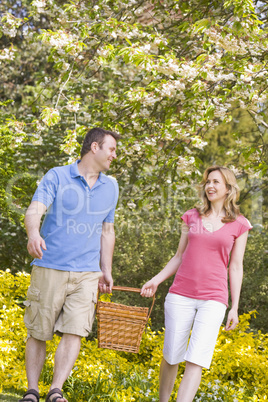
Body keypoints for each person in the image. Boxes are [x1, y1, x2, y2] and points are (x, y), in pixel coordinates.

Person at [19, 127, 120, 402]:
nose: (114, 155)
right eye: (111, 149)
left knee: (75, 330)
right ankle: (32, 390)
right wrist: (33, 234)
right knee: (39, 331)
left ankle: (56, 390)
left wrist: (106, 270)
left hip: (87, 272)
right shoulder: (58, 176)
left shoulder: (111, 186)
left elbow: (107, 231)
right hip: (50, 265)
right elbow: (34, 210)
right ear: (95, 147)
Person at [141, 165, 252, 402]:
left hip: (214, 299)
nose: (210, 186)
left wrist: (234, 307)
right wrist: (156, 280)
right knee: (171, 355)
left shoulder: (240, 224)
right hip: (181, 294)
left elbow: (236, 266)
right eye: (208, 181)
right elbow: (179, 256)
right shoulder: (191, 216)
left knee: (196, 359)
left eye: (216, 182)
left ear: (228, 188)